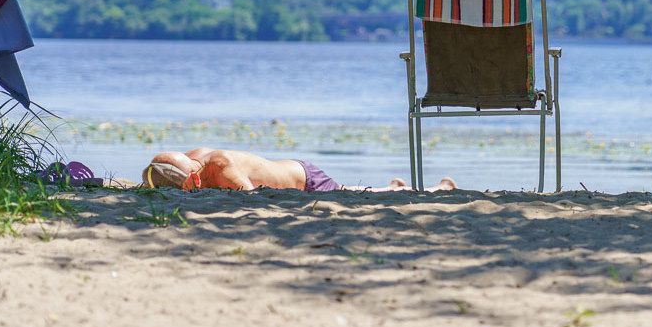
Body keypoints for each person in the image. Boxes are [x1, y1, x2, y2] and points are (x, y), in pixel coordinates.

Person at [142, 147, 457, 192]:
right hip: (289, 168)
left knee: (348, 194)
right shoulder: (194, 156)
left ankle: (436, 189)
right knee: (349, 191)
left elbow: (253, 198)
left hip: (303, 179)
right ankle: (392, 185)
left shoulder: (221, 167)